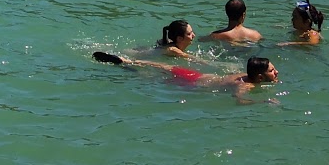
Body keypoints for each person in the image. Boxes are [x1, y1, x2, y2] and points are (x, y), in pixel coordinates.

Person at [93, 52, 279, 102]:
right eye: (272, 71)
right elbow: (239, 100)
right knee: (150, 78)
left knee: (164, 67)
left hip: (195, 75)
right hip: (192, 85)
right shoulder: (246, 86)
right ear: (260, 78)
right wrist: (263, 102)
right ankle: (129, 69)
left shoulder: (245, 74)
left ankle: (128, 61)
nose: (276, 72)